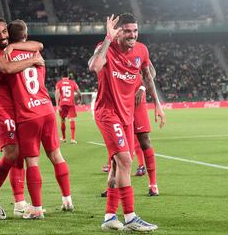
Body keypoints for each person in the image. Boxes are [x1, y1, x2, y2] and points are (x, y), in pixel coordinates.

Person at [88, 13, 165, 232]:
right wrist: (108, 38)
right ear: (119, 31)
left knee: (117, 165)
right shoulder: (106, 48)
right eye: (127, 31)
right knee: (125, 161)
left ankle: (110, 216)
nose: (132, 35)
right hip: (108, 113)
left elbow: (148, 75)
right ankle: (130, 217)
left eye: (135, 31)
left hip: (127, 115)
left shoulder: (141, 50)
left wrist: (157, 104)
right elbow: (95, 66)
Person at [5, 19, 74, 219]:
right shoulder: (36, 53)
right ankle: (67, 199)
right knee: (56, 156)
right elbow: (37, 44)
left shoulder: (8, 55)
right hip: (46, 109)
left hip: (27, 115)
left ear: (9, 36)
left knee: (32, 163)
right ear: (26, 35)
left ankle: (36, 208)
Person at [0, 17, 45, 219]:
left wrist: (19, 46)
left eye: (4, 32)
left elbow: (39, 44)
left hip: (16, 106)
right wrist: (34, 59)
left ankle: (19, 203)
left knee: (20, 154)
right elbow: (8, 69)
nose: (1, 36)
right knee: (12, 153)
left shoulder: (13, 46)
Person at [133, 61, 160, 196]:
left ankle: (153, 184)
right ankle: (113, 184)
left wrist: (142, 88)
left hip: (137, 101)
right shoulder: (112, 49)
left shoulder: (140, 50)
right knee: (117, 145)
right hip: (118, 100)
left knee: (144, 140)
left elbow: (151, 72)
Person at [55, 73, 81, 144]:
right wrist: (80, 99)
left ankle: (64, 138)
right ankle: (72, 139)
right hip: (71, 103)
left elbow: (57, 93)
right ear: (68, 76)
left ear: (62, 77)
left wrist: (57, 105)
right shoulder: (73, 83)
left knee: (63, 120)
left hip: (62, 103)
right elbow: (79, 92)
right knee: (72, 120)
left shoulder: (59, 83)